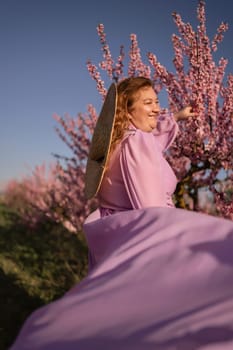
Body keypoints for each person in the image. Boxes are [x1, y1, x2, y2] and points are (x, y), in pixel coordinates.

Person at [11, 77, 233, 350]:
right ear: (128, 111)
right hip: (142, 236)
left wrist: (177, 116)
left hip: (114, 236)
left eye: (157, 102)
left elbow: (151, 145)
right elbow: (150, 208)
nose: (157, 109)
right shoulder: (136, 142)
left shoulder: (122, 141)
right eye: (148, 103)